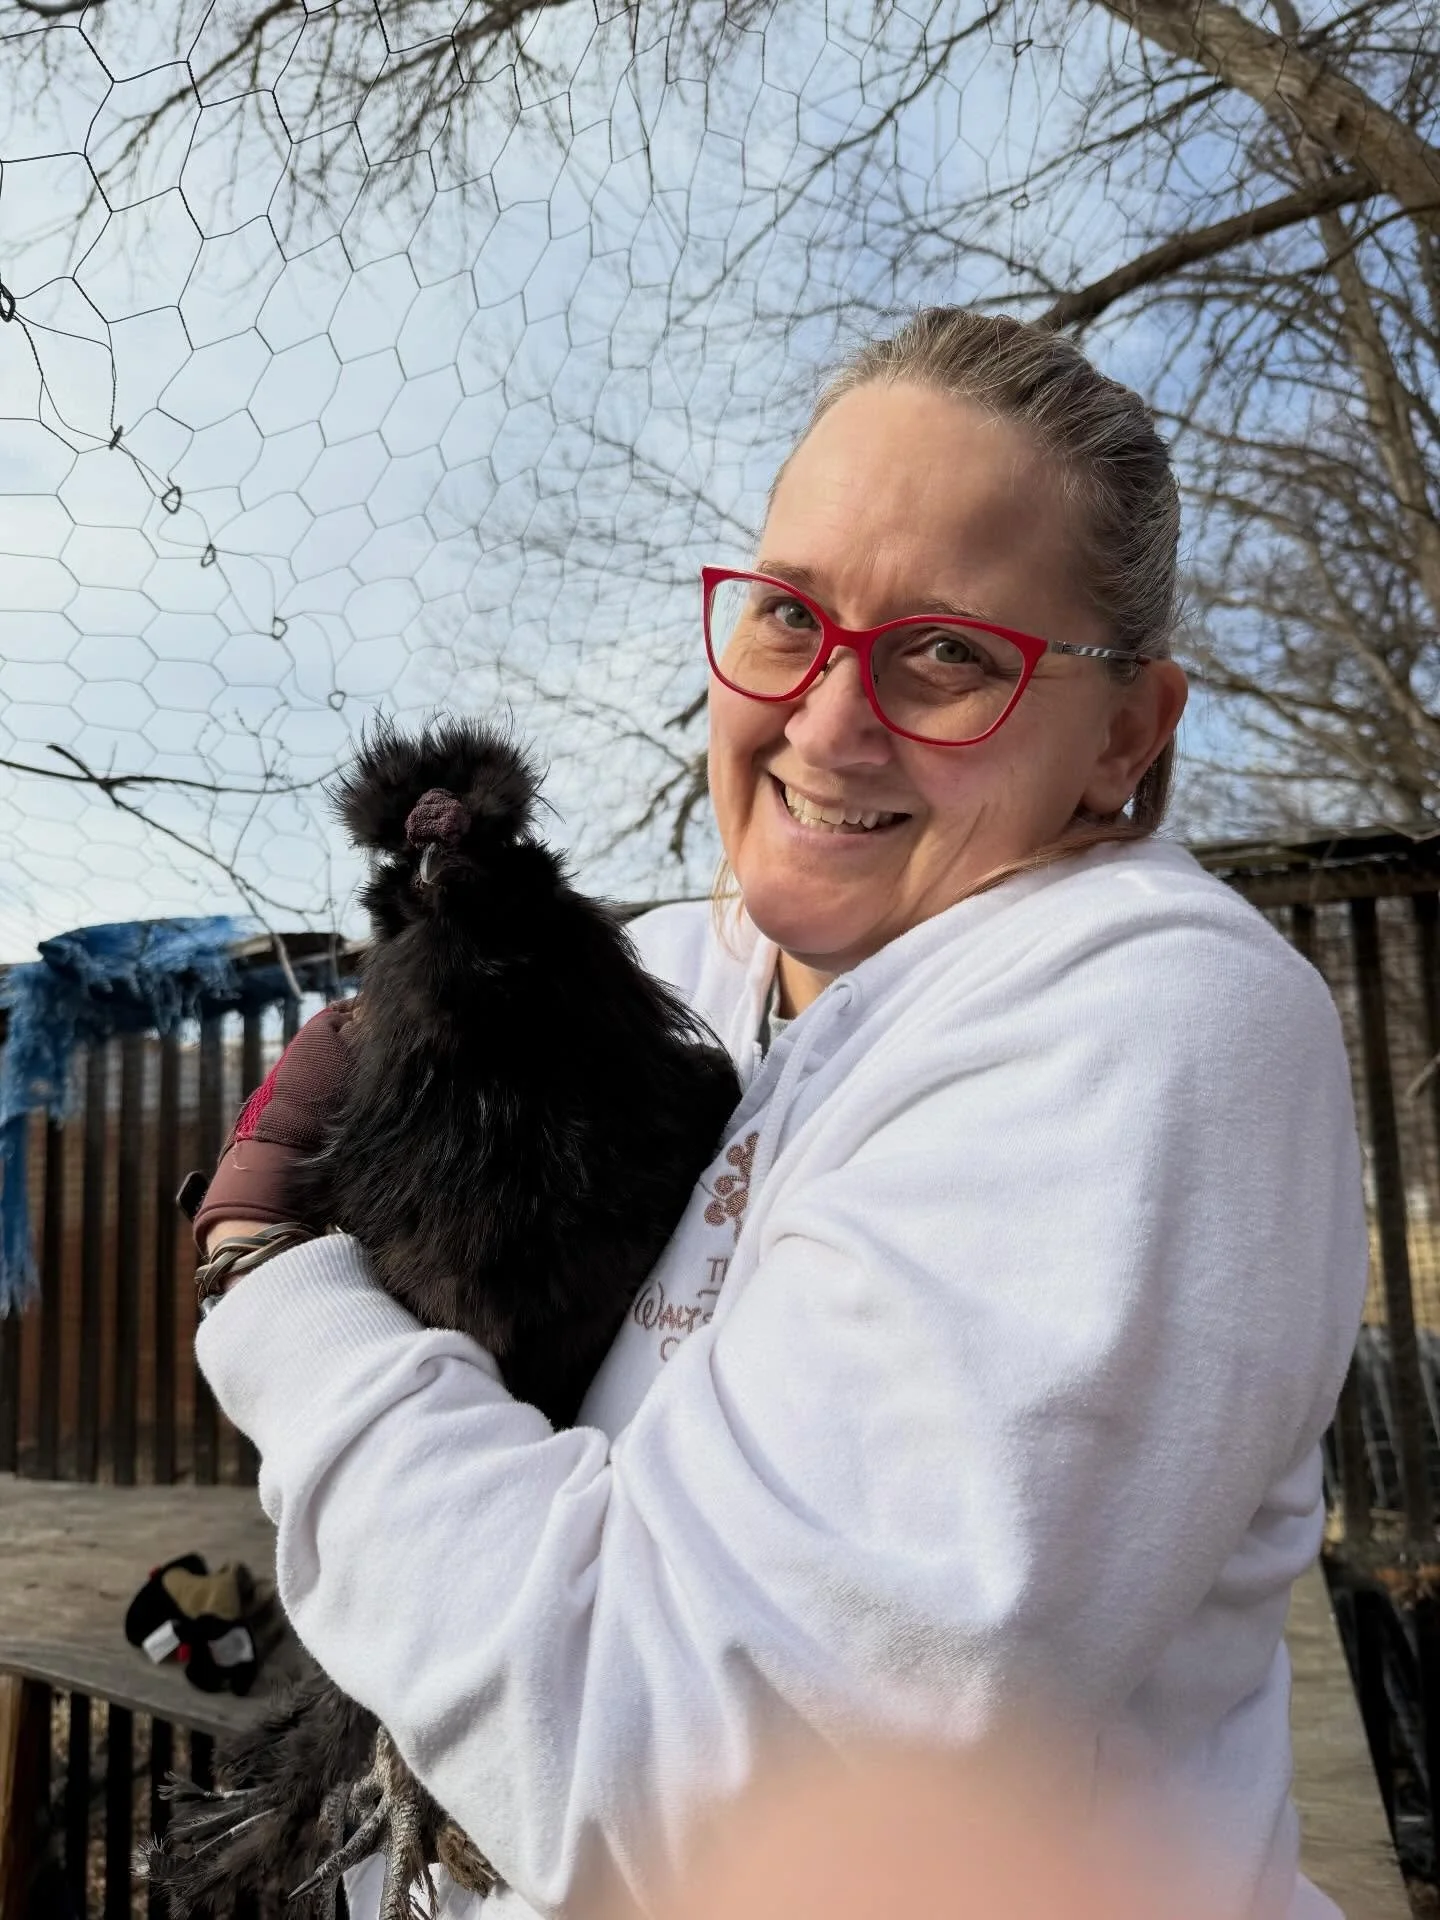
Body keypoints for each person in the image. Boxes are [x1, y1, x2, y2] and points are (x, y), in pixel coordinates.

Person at [193, 308, 1368, 1919]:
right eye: (786, 615)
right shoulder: (693, 967)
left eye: (948, 653)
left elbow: (702, 1781)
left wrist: (274, 1297)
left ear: (1125, 733)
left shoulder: (1152, 1022)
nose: (825, 720)